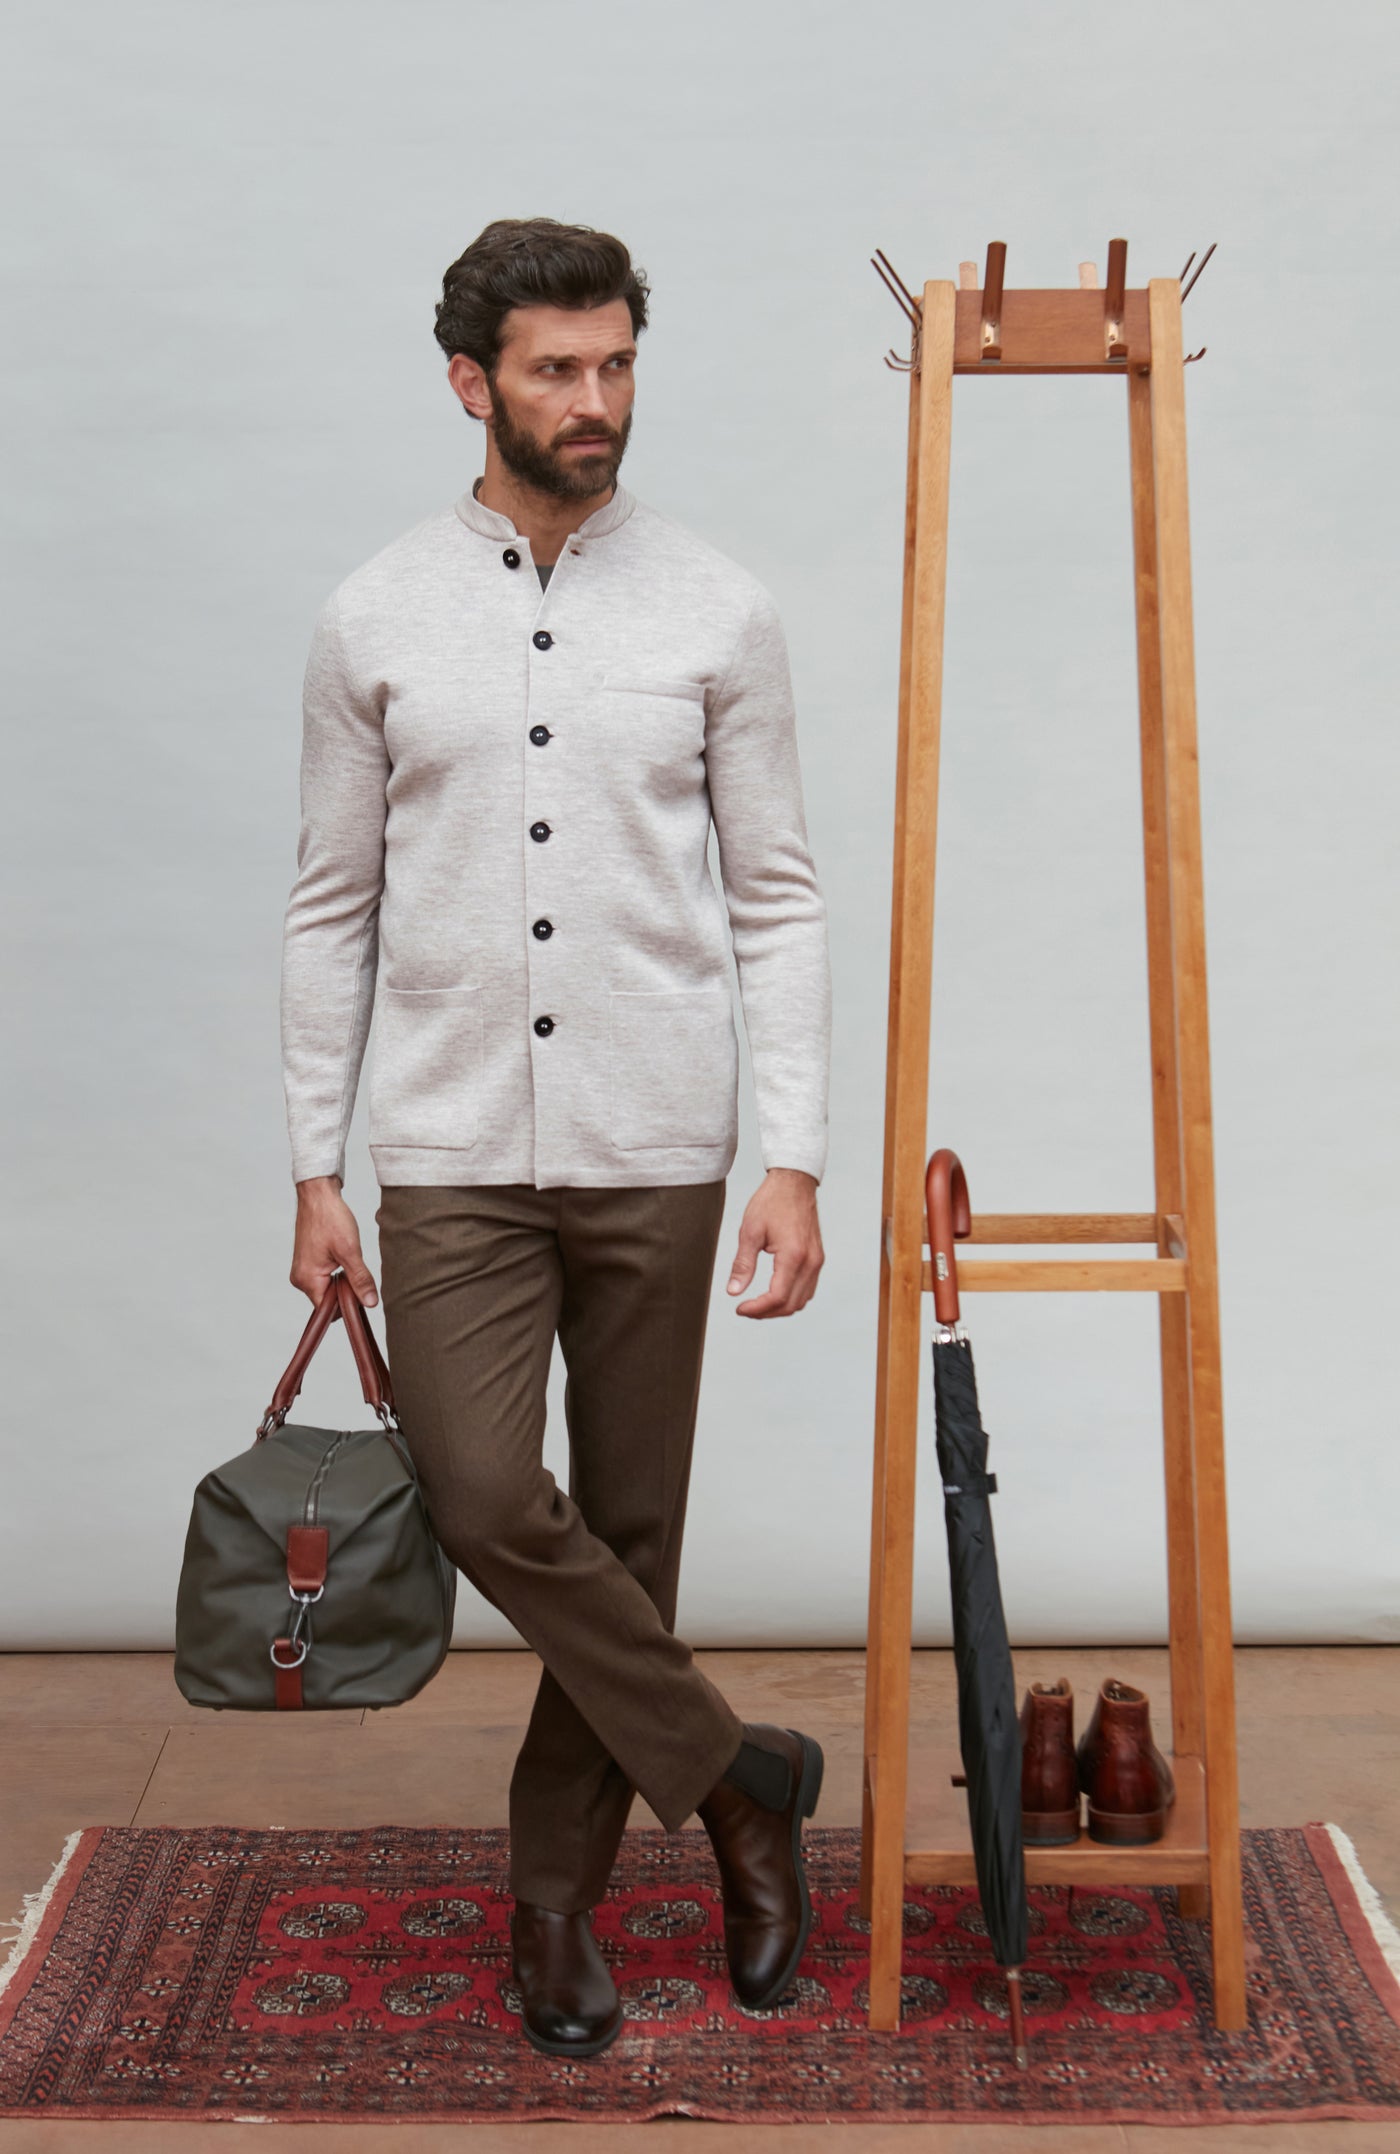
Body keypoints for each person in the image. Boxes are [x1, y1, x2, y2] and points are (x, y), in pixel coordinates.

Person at [279, 216, 833, 2057]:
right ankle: (743, 1776)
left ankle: (553, 1907)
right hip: (444, 1146)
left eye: (615, 368)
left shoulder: (716, 607)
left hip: (659, 1136)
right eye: (556, 371)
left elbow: (778, 895)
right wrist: (313, 1163)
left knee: (636, 1521)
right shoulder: (371, 613)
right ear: (472, 381)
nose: (595, 403)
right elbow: (327, 908)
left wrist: (795, 1151)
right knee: (486, 1491)